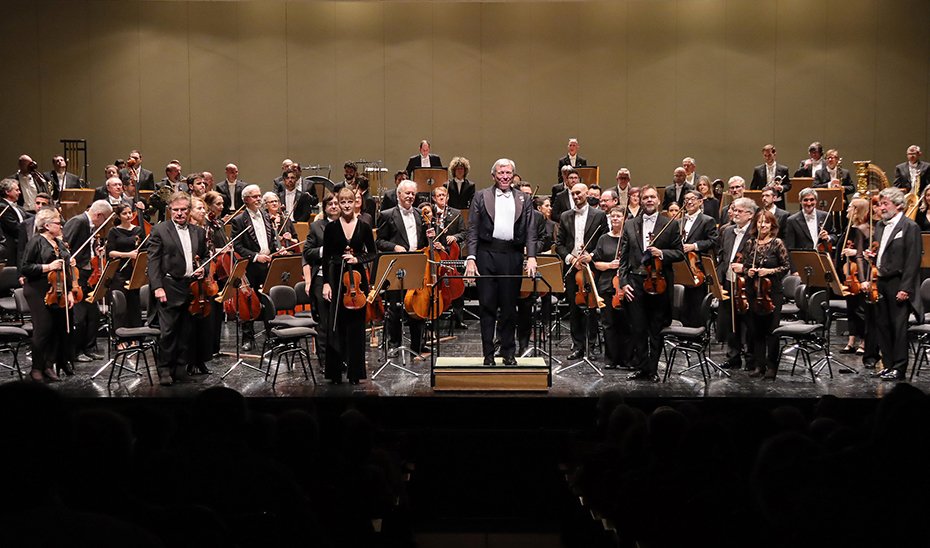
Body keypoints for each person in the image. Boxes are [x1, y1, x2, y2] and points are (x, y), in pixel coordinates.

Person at [465, 159, 538, 366]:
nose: (505, 176)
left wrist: (531, 257)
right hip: (486, 254)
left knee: (509, 307)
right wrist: (471, 258)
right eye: (501, 173)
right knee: (487, 306)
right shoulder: (481, 196)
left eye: (508, 173)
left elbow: (531, 231)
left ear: (513, 175)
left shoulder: (524, 198)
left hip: (512, 255)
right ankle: (488, 354)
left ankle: (508, 352)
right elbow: (472, 229)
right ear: (493, 175)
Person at [618, 185, 683, 382]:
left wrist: (662, 253)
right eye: (645, 197)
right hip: (636, 282)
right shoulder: (629, 224)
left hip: (659, 283)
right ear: (639, 199)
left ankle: (653, 370)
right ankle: (641, 367)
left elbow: (680, 253)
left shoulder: (670, 223)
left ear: (658, 200)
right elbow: (623, 258)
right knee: (637, 328)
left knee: (655, 330)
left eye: (652, 197)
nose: (648, 200)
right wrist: (622, 282)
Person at [147, 192, 209, 386]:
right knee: (168, 331)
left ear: (189, 211)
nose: (180, 213)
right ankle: (165, 369)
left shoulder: (198, 231)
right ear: (170, 210)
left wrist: (204, 270)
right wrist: (157, 287)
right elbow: (153, 261)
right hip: (169, 285)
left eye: (183, 210)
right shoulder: (160, 230)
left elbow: (205, 256)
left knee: (186, 331)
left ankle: (181, 369)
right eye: (176, 210)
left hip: (190, 286)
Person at [866, 188, 922, 381]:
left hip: (898, 283)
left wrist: (906, 288)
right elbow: (881, 252)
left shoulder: (910, 227)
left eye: (885, 204)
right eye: (880, 204)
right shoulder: (881, 226)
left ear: (898, 205)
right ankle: (888, 364)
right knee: (882, 325)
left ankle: (899, 367)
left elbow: (913, 260)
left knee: (898, 327)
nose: (881, 208)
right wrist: (872, 257)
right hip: (881, 281)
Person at [322, 188, 377, 384]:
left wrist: (357, 258)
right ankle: (335, 373)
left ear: (355, 203)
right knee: (336, 326)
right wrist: (326, 284)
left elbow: (373, 253)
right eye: (342, 201)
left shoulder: (363, 227)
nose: (345, 205)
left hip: (357, 279)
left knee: (356, 327)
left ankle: (355, 373)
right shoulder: (331, 228)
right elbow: (326, 257)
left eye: (349, 201)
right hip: (337, 277)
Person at [731, 209, 790, 379]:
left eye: (766, 222)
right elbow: (742, 264)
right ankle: (759, 366)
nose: (762, 225)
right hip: (751, 291)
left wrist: (769, 271)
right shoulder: (750, 243)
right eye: (759, 222)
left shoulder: (777, 243)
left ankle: (772, 367)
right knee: (755, 330)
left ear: (772, 225)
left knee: (771, 331)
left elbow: (785, 267)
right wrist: (747, 271)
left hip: (771, 293)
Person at [376, 180, 432, 354]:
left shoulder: (419, 214)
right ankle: (394, 345)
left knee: (418, 305)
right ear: (399, 195)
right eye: (407, 193)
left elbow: (423, 241)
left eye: (412, 194)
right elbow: (379, 241)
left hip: (416, 264)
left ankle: (417, 345)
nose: (410, 196)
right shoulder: (387, 214)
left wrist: (430, 235)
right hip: (398, 265)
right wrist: (394, 247)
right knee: (395, 306)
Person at [20, 208, 75, 382]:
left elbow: (67, 267)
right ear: (47, 225)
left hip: (58, 289)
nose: (61, 226)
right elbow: (26, 268)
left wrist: (70, 290)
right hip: (37, 288)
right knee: (43, 329)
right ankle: (36, 368)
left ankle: (49, 365)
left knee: (56, 329)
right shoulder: (36, 242)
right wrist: (48, 267)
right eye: (58, 223)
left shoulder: (58, 243)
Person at [557, 182, 608, 360]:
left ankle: (591, 346)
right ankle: (578, 346)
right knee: (574, 307)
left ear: (587, 194)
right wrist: (571, 259)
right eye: (573, 194)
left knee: (592, 308)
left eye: (579, 193)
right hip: (572, 268)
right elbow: (560, 245)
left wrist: (592, 255)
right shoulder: (565, 216)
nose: (576, 196)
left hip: (590, 267)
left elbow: (605, 241)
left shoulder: (599, 215)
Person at [230, 184, 280, 350]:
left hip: (268, 264)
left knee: (268, 300)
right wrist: (256, 257)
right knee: (248, 301)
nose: (259, 199)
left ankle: (271, 333)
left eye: (259, 196)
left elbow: (271, 237)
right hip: (251, 266)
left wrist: (275, 249)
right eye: (254, 196)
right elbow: (237, 246)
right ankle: (248, 338)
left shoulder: (266, 215)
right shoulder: (239, 221)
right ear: (245, 200)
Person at [63, 200, 113, 363]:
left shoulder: (91, 227)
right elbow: (65, 247)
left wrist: (95, 251)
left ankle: (89, 348)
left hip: (87, 274)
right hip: (77, 275)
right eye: (105, 219)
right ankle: (76, 351)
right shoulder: (78, 222)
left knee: (94, 314)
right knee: (80, 316)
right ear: (99, 215)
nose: (105, 224)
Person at [716, 197, 757, 370]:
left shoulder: (756, 234)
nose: (734, 213)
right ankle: (733, 356)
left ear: (750, 214)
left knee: (748, 323)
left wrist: (745, 267)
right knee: (730, 320)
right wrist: (718, 281)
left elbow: (762, 260)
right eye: (733, 209)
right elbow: (723, 257)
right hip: (728, 281)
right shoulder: (727, 231)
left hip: (747, 283)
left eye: (739, 211)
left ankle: (751, 358)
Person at [592, 206, 632, 369]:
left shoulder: (629, 238)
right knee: (608, 324)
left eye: (618, 216)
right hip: (607, 285)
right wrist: (610, 265)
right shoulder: (603, 239)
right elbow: (596, 264)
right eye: (612, 216)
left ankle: (627, 359)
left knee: (626, 323)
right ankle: (611, 359)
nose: (615, 219)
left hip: (624, 285)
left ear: (625, 219)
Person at [303, 191, 340, 367]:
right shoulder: (316, 226)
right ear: (325, 208)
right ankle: (325, 362)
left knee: (340, 322)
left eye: (336, 203)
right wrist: (323, 250)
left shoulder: (347, 225)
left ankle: (341, 359)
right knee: (324, 323)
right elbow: (307, 253)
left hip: (342, 279)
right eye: (330, 204)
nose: (334, 206)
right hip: (321, 278)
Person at [679, 190, 719, 327]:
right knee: (682, 303)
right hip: (681, 265)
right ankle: (683, 333)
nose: (689, 202)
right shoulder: (679, 221)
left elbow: (713, 241)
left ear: (700, 201)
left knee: (696, 302)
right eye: (686, 199)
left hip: (696, 266)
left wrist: (694, 246)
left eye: (692, 199)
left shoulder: (707, 220)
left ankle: (697, 332)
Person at [431, 185, 467, 329]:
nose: (442, 198)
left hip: (452, 254)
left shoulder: (456, 213)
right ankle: (434, 316)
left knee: (456, 284)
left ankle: (459, 318)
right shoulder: (429, 213)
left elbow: (464, 233)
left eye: (444, 195)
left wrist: (455, 237)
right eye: (439, 195)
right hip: (436, 256)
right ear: (434, 198)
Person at [837, 198, 870, 355]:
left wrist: (856, 253)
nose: (847, 210)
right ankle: (851, 340)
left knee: (860, 309)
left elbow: (871, 252)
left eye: (850, 207)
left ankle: (864, 341)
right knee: (851, 308)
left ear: (857, 210)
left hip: (861, 274)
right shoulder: (849, 228)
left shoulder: (865, 229)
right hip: (848, 272)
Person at [105, 204, 145, 330]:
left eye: (130, 213)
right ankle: (120, 337)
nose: (128, 216)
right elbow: (110, 252)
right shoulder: (114, 231)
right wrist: (127, 255)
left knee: (134, 304)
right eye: (124, 213)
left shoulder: (138, 230)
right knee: (121, 306)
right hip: (119, 271)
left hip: (134, 271)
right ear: (119, 216)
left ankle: (136, 337)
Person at [203, 190, 231, 358]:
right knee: (212, 310)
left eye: (222, 204)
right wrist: (222, 250)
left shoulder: (218, 223)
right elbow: (208, 247)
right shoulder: (206, 225)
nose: (221, 207)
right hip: (212, 272)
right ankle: (208, 348)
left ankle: (216, 347)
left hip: (221, 272)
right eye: (218, 204)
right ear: (208, 205)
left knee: (218, 309)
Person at [783, 187, 836, 273]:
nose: (809, 203)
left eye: (812, 200)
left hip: (823, 259)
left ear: (816, 201)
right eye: (805, 200)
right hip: (804, 262)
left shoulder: (826, 216)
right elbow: (790, 248)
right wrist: (794, 270)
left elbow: (834, 236)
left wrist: (828, 237)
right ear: (800, 201)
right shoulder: (792, 220)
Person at [750, 144, 791, 209]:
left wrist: (781, 187)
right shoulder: (758, 170)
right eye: (765, 155)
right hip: (763, 201)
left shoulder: (783, 169)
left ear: (774, 154)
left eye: (769, 155)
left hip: (778, 201)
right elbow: (753, 187)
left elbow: (788, 185)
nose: (767, 158)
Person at [0, 178, 27, 268]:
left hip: (20, 246)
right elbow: (15, 228)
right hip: (11, 249)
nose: (19, 192)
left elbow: (29, 217)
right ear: (7, 192)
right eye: (17, 190)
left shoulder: (18, 207)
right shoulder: (2, 207)